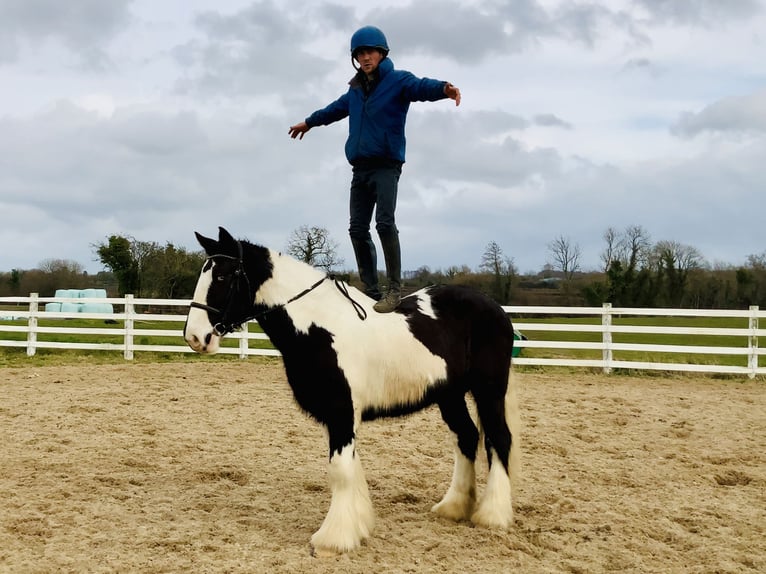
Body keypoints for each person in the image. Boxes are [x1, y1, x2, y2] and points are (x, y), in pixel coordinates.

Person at [289, 25, 461, 313]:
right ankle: (370, 290)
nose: (365, 57)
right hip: (360, 167)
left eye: (370, 52)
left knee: (384, 222)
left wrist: (445, 89)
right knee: (357, 228)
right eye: (360, 54)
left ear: (381, 53)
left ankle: (394, 289)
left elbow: (421, 87)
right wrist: (309, 122)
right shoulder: (355, 91)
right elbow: (333, 110)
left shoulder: (398, 81)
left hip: (386, 164)